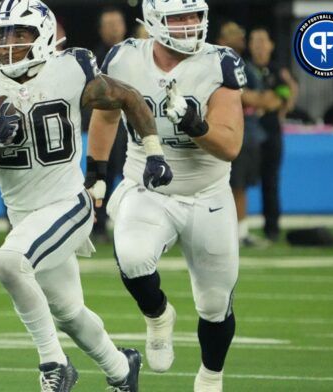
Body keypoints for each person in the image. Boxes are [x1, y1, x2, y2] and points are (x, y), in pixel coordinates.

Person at [0, 1, 172, 390]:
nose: (9, 44)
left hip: (69, 203)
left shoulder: (70, 70)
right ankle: (123, 370)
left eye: (19, 34)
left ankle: (53, 365)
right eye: (2, 36)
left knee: (7, 263)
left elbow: (129, 98)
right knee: (69, 313)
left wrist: (153, 151)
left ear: (43, 36)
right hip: (23, 213)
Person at [88, 1, 244, 390]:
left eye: (194, 15)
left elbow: (230, 145)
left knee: (213, 303)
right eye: (180, 17)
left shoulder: (219, 62)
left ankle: (210, 375)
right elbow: (106, 115)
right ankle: (157, 314)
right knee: (133, 255)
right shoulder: (124, 58)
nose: (190, 25)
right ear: (155, 22)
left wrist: (195, 124)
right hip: (148, 186)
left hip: (207, 192)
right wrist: (96, 172)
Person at [217, 21, 281, 247]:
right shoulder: (220, 62)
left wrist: (259, 99)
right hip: (230, 132)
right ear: (222, 39)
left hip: (249, 133)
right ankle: (234, 232)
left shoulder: (246, 66)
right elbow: (244, 96)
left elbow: (274, 96)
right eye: (233, 35)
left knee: (241, 184)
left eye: (240, 35)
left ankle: (240, 231)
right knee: (232, 185)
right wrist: (256, 99)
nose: (239, 39)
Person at [247, 26, 298, 242]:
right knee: (239, 183)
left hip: (271, 132)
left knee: (271, 181)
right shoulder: (243, 69)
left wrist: (277, 107)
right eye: (255, 41)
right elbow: (243, 96)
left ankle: (272, 228)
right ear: (250, 45)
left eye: (262, 41)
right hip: (247, 133)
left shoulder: (279, 70)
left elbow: (285, 93)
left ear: (271, 45)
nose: (259, 46)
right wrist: (264, 100)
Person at [89, 6, 129, 243]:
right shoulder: (93, 58)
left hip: (129, 125)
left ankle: (131, 221)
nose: (114, 29)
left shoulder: (136, 55)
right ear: (101, 30)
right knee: (102, 172)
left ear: (124, 27)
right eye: (109, 25)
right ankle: (98, 224)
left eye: (117, 24)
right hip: (106, 122)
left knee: (133, 174)